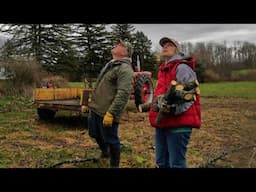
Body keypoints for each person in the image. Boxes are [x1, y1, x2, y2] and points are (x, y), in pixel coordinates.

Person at [148, 37, 201, 168]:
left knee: (176, 164)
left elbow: (190, 96)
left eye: (169, 45)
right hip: (162, 123)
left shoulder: (182, 67)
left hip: (179, 124)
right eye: (163, 45)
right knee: (161, 163)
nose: (164, 47)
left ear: (176, 49)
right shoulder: (163, 69)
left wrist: (172, 110)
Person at [88, 40, 134, 168]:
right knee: (94, 133)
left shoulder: (125, 69)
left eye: (119, 45)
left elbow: (123, 94)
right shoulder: (111, 64)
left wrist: (111, 113)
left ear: (125, 52)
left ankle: (114, 165)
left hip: (108, 112)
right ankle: (105, 152)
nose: (115, 45)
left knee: (111, 140)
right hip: (97, 108)